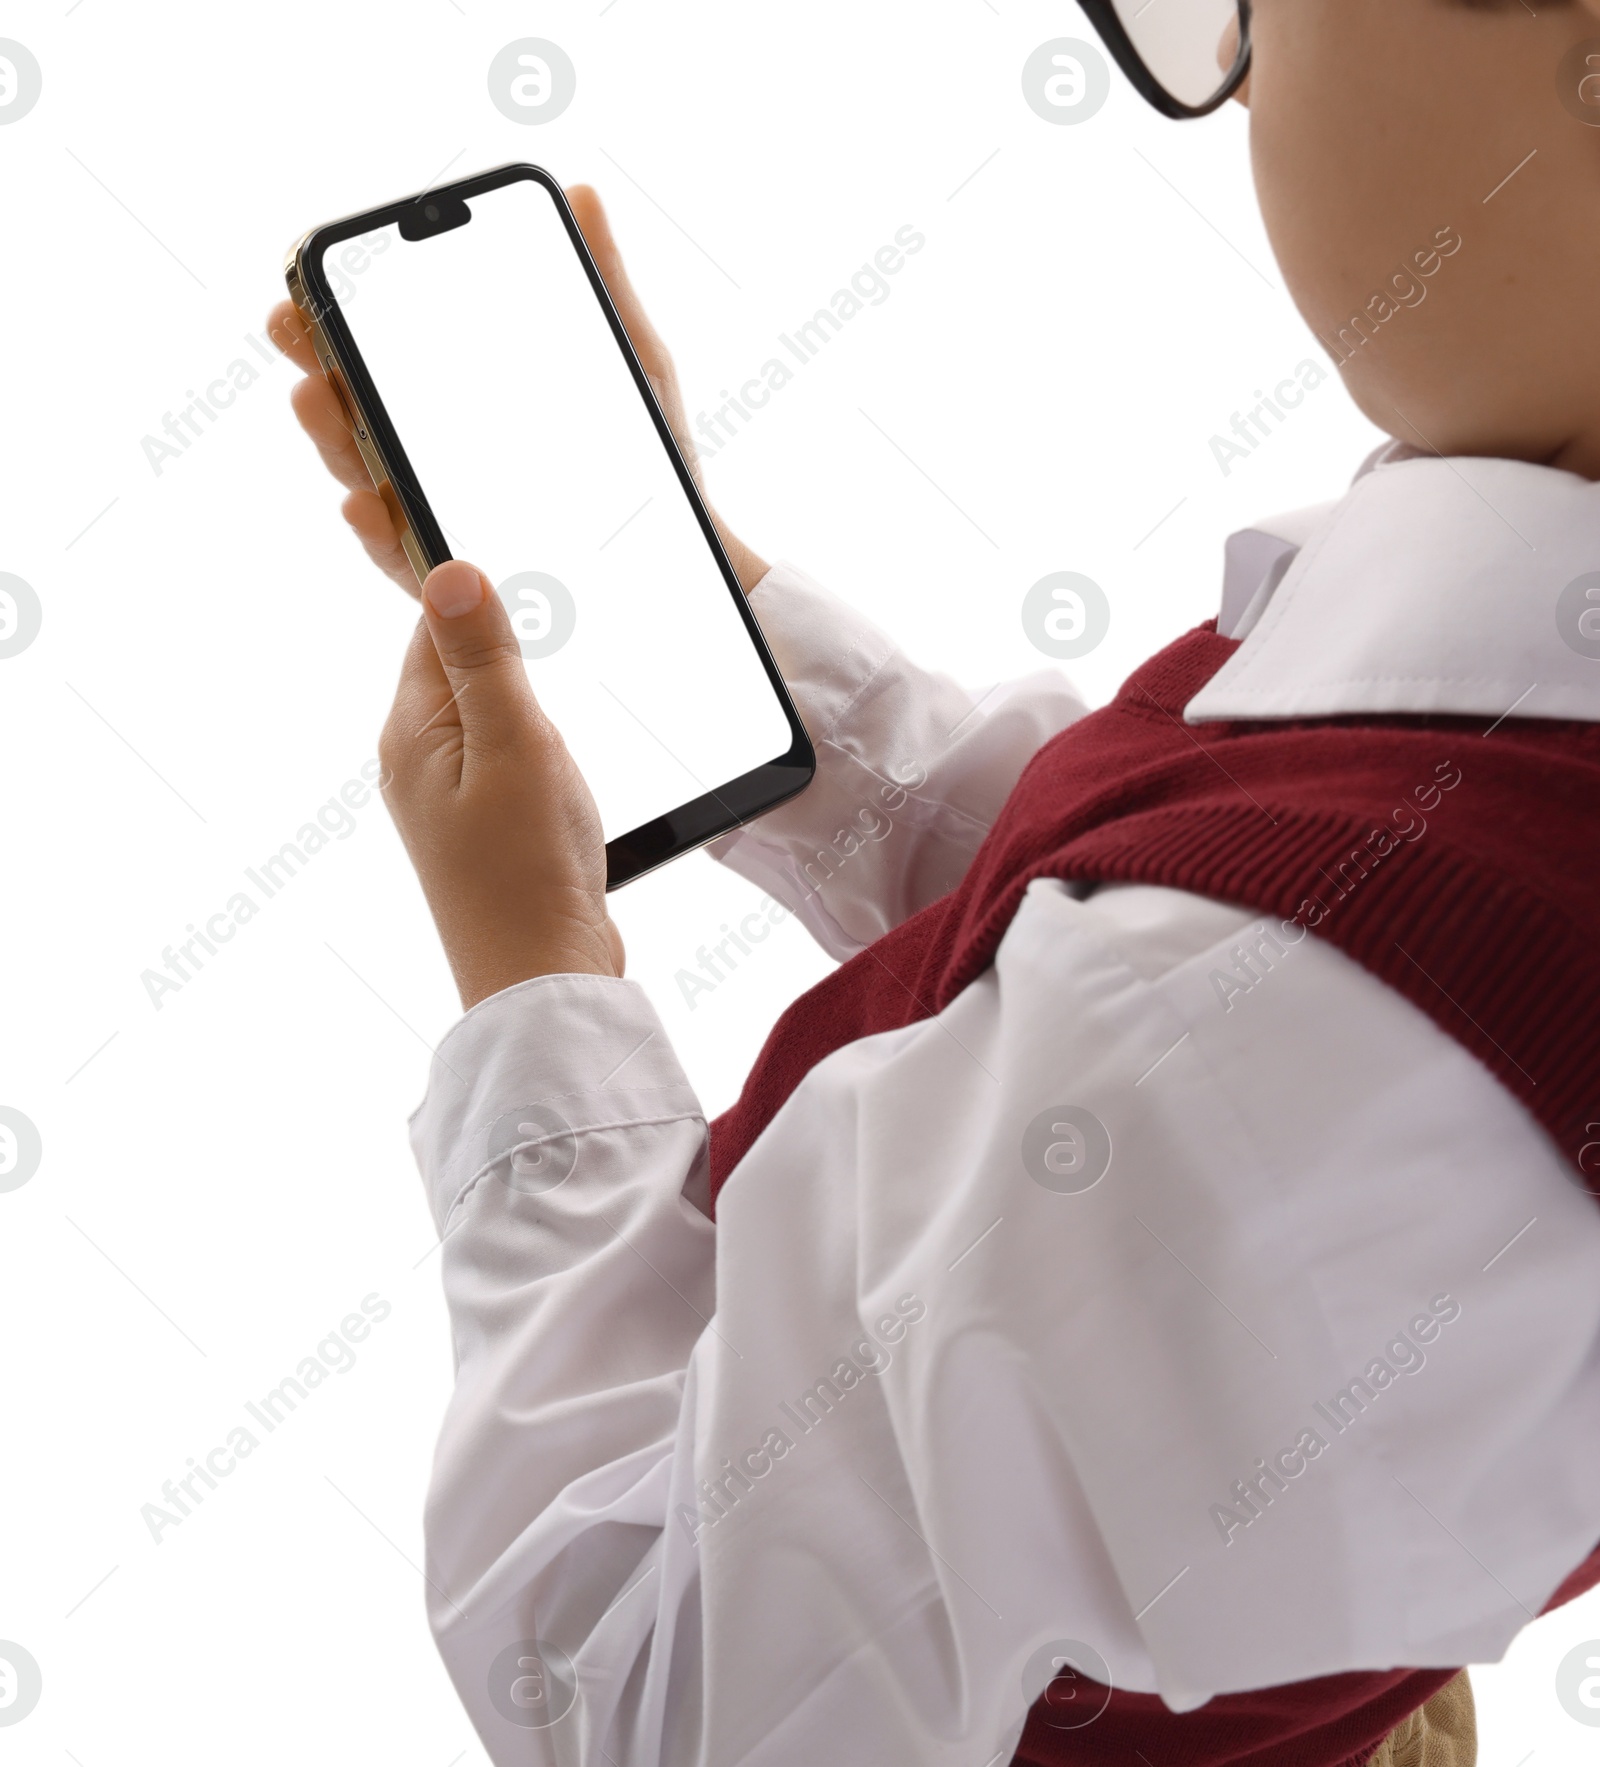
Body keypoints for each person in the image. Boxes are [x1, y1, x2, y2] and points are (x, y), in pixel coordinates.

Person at [267, 2, 1600, 1760]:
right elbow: (1118, 926)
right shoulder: (1490, 719)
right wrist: (714, 609)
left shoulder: (1301, 1045)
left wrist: (534, 974)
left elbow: (642, 1679)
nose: (1239, 72)